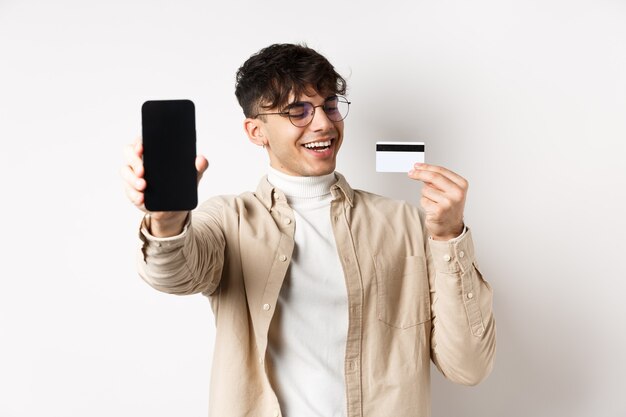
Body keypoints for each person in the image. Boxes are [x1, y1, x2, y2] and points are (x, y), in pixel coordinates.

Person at [121, 43, 496, 417]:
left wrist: (449, 238)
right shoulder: (228, 220)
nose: (323, 123)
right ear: (256, 131)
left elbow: (469, 366)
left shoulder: (406, 223)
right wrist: (167, 220)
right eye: (297, 110)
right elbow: (174, 274)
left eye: (330, 105)